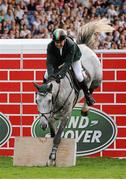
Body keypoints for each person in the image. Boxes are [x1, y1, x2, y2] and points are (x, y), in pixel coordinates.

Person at [44, 28, 95, 106]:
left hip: (74, 58)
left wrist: (60, 74)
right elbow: (49, 63)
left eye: (60, 42)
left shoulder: (71, 45)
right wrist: (51, 76)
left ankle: (87, 95)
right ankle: (44, 91)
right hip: (59, 58)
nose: (58, 44)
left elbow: (68, 63)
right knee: (46, 74)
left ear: (64, 40)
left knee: (79, 76)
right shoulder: (50, 46)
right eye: (56, 42)